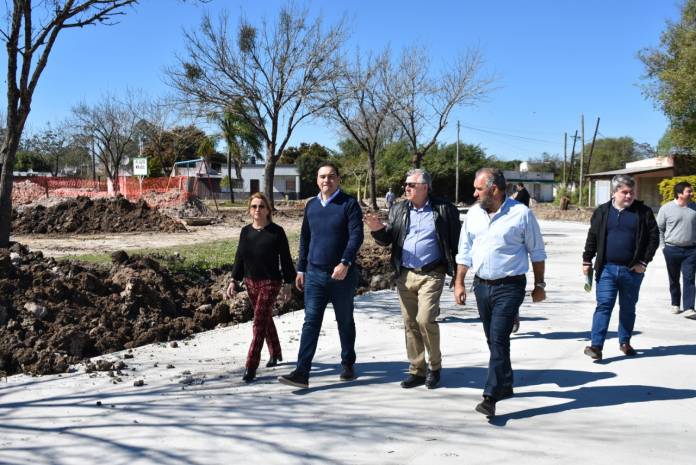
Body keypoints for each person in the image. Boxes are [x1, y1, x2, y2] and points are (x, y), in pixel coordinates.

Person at [454, 168, 547, 418]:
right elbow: (464, 251)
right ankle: (505, 382)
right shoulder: (473, 215)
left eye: (478, 189)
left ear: (493, 189)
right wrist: (459, 282)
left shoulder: (521, 214)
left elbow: (537, 252)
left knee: (498, 339)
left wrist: (539, 285)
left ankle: (491, 396)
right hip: (481, 286)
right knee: (492, 339)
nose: (474, 194)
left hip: (510, 286)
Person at [364, 168, 460, 389]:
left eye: (411, 185)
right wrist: (377, 230)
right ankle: (417, 370)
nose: (406, 188)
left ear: (425, 187)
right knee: (410, 323)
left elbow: (455, 242)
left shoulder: (444, 209)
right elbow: (388, 239)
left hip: (432, 273)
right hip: (405, 274)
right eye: (406, 184)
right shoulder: (398, 209)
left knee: (425, 320)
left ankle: (434, 367)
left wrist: (458, 277)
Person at [278, 162, 364, 388]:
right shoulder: (311, 205)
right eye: (322, 176)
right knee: (310, 322)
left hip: (342, 276)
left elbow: (356, 236)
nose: (326, 180)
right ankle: (302, 372)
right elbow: (305, 238)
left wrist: (345, 262)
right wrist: (301, 268)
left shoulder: (349, 204)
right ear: (317, 180)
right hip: (314, 274)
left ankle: (348, 363)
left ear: (338, 179)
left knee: (345, 321)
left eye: (331, 176)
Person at [582, 174, 659, 361]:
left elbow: (654, 237)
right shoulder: (602, 211)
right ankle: (596, 346)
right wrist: (587, 260)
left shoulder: (643, 212)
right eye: (625, 192)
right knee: (603, 306)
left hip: (632, 271)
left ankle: (625, 342)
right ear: (614, 192)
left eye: (632, 192)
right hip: (606, 269)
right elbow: (593, 236)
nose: (629, 196)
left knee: (628, 308)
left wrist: (643, 262)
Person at [225, 192, 295, 383]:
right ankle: (275, 352)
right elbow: (239, 257)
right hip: (250, 282)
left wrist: (288, 283)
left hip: (271, 282)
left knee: (258, 322)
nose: (257, 210)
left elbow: (286, 259)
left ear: (268, 210)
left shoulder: (277, 232)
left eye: (261, 206)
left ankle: (251, 365)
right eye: (254, 206)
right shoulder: (245, 231)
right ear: (249, 210)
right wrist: (233, 280)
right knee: (264, 318)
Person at [656, 181, 696, 318]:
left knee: (689, 278)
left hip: (691, 250)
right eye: (689, 191)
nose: (692, 193)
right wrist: (663, 247)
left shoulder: (694, 207)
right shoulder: (666, 209)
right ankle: (675, 303)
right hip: (671, 249)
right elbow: (659, 229)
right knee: (674, 278)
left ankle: (689, 308)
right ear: (679, 194)